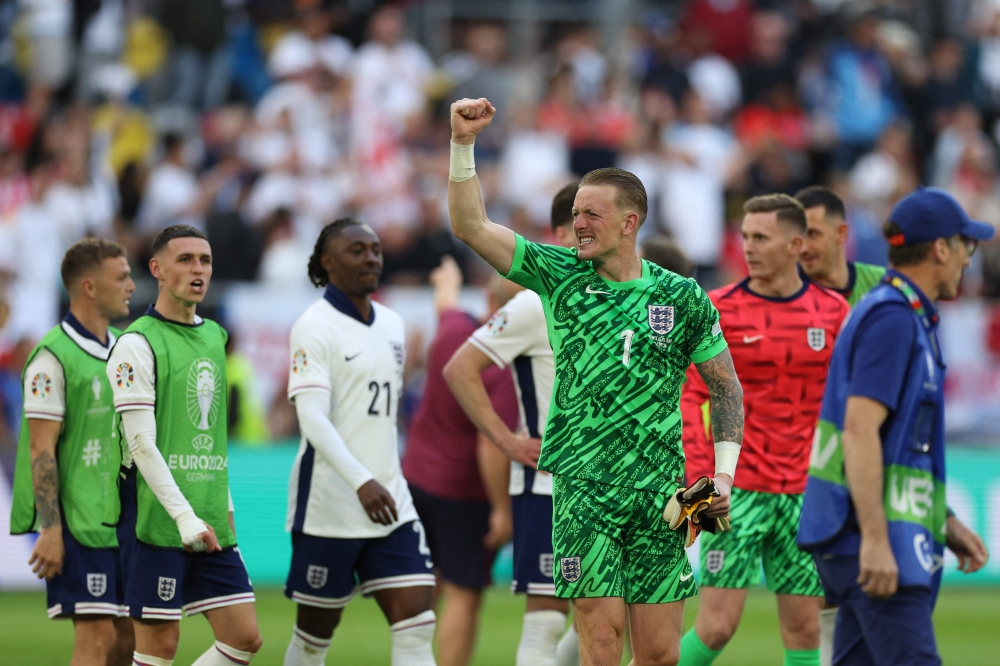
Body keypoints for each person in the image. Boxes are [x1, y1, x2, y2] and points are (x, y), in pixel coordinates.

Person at [447, 96, 744, 666]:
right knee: (601, 644)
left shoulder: (681, 296)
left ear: (630, 223)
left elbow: (726, 388)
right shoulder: (559, 276)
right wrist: (463, 145)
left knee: (659, 655)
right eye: (575, 212)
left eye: (590, 215)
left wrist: (723, 478)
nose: (576, 224)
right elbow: (469, 225)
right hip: (584, 492)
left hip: (664, 495)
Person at [798, 187, 991, 666]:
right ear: (940, 248)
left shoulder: (901, 313)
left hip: (874, 533)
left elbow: (899, 444)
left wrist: (942, 520)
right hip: (875, 541)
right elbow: (860, 430)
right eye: (966, 245)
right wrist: (877, 541)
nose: (970, 258)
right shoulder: (892, 317)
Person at [678, 195, 850, 666]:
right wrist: (702, 479)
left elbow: (848, 407)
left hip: (806, 495)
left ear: (795, 244)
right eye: (744, 236)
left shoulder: (834, 313)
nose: (747, 247)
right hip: (735, 491)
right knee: (714, 628)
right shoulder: (718, 308)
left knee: (805, 629)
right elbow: (692, 396)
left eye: (760, 237)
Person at [282, 218, 437, 666]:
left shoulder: (392, 323)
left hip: (392, 501)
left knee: (417, 623)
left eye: (375, 248)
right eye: (357, 250)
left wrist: (384, 478)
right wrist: (361, 481)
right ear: (328, 262)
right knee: (314, 638)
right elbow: (311, 418)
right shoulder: (313, 326)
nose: (371, 257)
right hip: (331, 505)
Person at [106, 225, 262, 666]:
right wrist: (183, 516)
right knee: (159, 649)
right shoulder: (136, 344)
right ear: (156, 268)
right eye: (186, 259)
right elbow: (140, 444)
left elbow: (208, 434)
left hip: (208, 513)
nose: (198, 269)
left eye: (205, 261)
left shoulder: (215, 336)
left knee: (244, 638)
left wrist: (222, 501)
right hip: (156, 515)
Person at [444, 183, 580, 666]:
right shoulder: (532, 303)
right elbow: (459, 369)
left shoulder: (622, 300)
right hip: (547, 488)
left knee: (612, 616)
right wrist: (506, 440)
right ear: (562, 232)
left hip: (609, 485)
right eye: (580, 222)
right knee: (546, 619)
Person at [9, 239, 136, 665]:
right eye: (121, 277)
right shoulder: (52, 358)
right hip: (80, 525)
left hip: (125, 524)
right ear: (89, 287)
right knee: (96, 638)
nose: (131, 286)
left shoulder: (126, 349)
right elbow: (41, 449)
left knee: (128, 640)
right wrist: (50, 529)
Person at [402, 255, 522, 666]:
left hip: (416, 479)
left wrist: (446, 278)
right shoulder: (503, 366)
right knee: (463, 595)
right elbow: (491, 444)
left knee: (426, 589)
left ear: (488, 297)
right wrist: (503, 512)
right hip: (466, 496)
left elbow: (446, 302)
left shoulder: (454, 329)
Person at [794, 185, 884, 666]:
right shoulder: (784, 296)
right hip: (810, 470)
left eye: (811, 232)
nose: (802, 245)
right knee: (821, 602)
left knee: (878, 599)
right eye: (795, 235)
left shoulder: (884, 290)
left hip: (874, 464)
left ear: (842, 233)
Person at [796, 186, 886, 307]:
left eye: (813, 234)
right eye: (798, 238)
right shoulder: (784, 297)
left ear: (841, 233)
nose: (803, 248)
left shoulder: (882, 284)